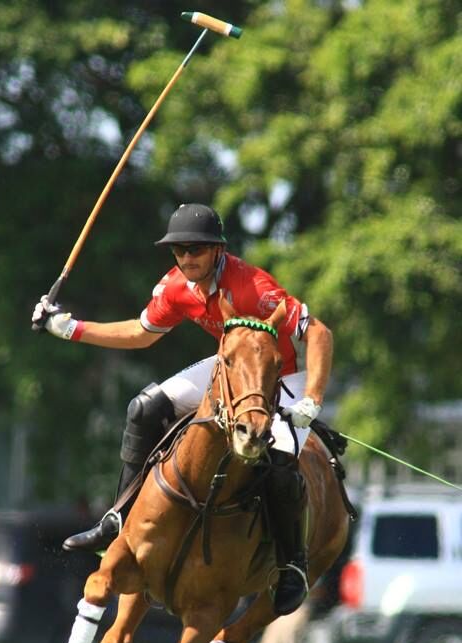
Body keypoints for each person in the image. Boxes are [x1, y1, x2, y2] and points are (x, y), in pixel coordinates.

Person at [32, 204, 333, 616]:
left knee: (279, 457)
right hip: (232, 371)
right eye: (179, 251)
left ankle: (292, 564)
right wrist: (69, 328)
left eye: (196, 249)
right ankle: (118, 519)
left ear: (218, 250)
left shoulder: (252, 288)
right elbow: (141, 333)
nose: (187, 258)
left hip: (284, 377)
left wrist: (312, 399)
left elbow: (318, 332)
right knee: (145, 407)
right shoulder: (177, 287)